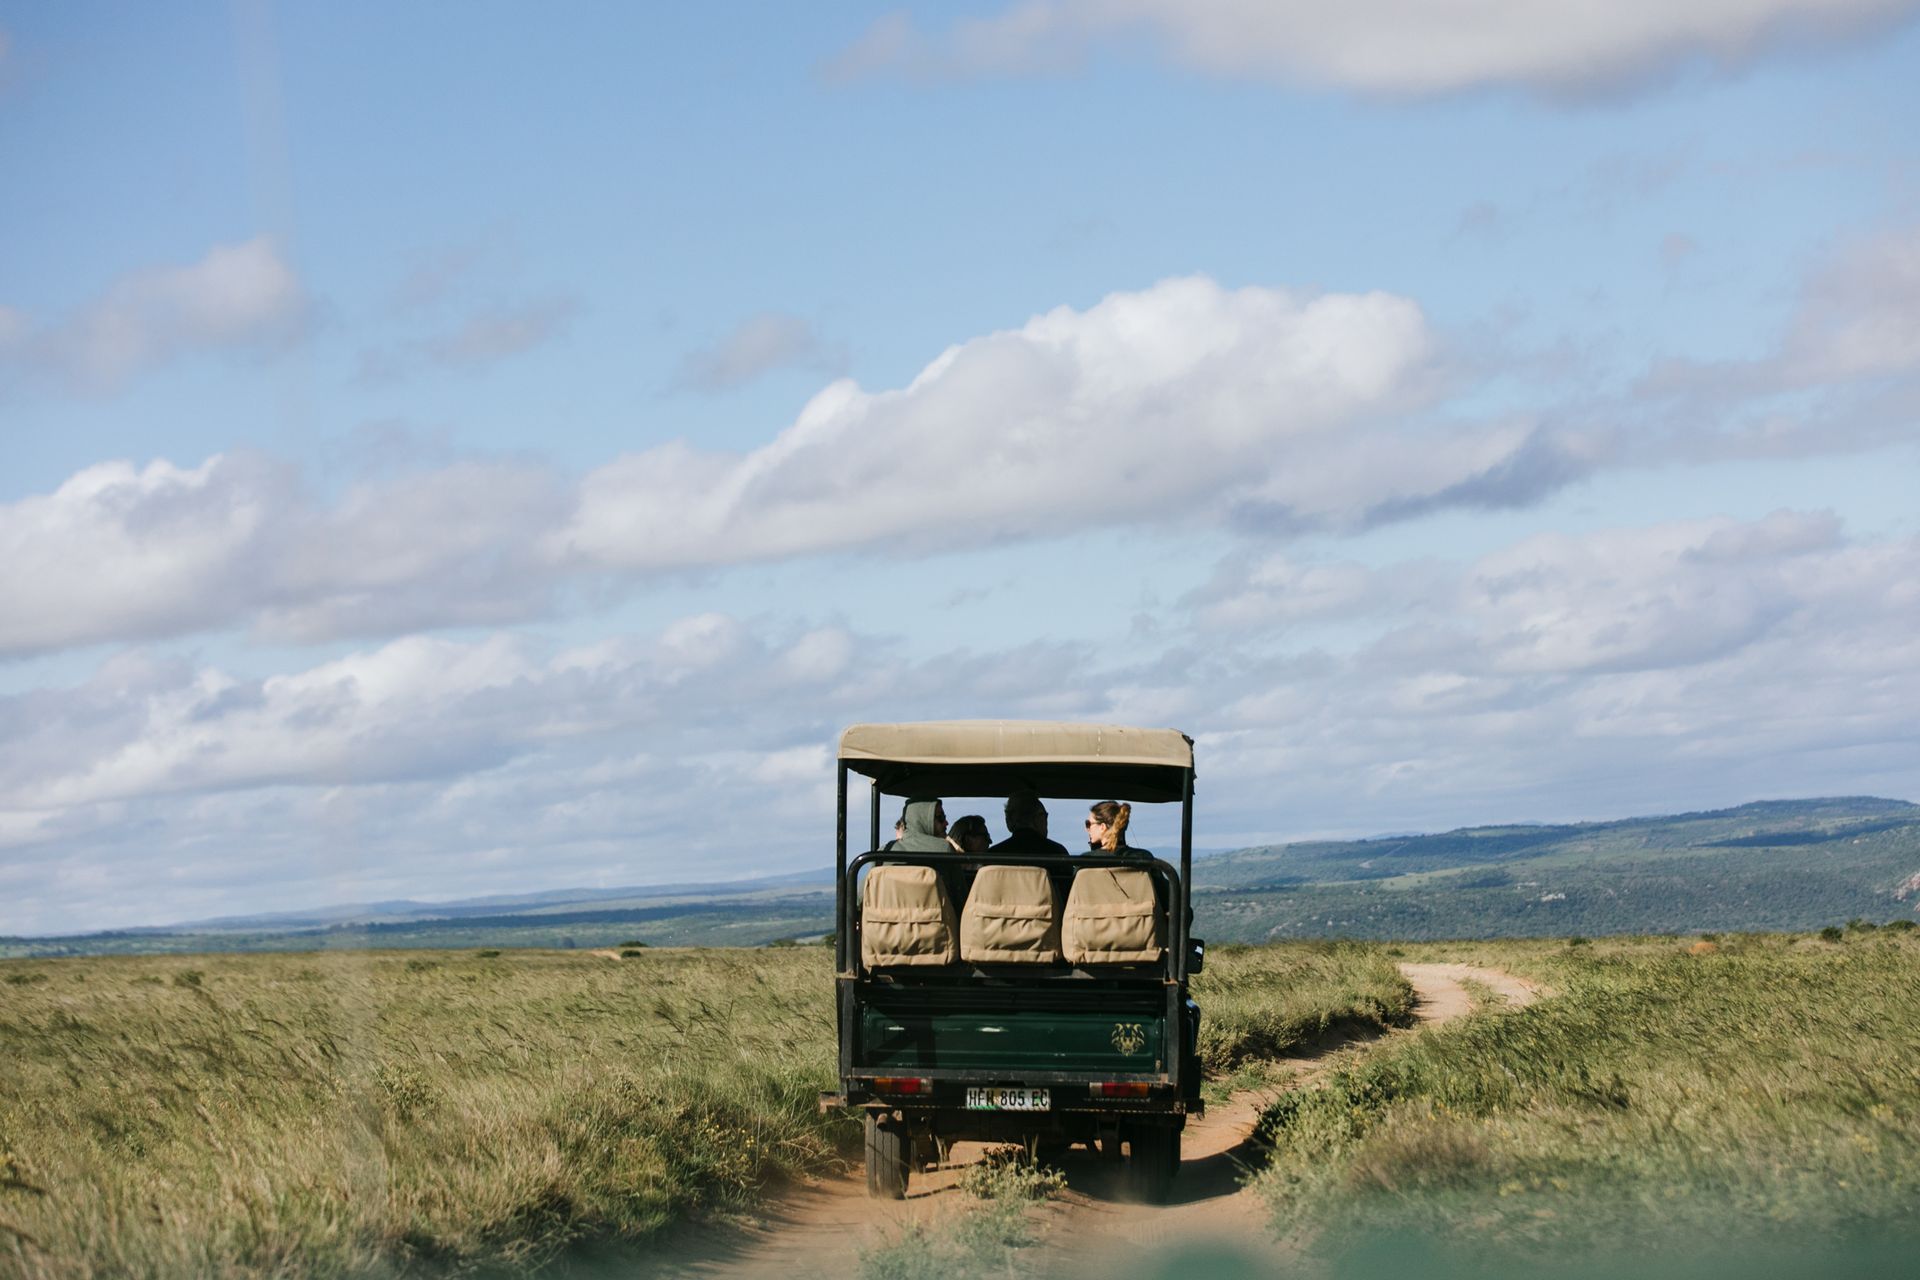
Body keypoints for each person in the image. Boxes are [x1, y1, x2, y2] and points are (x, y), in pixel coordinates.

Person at [989, 791, 1071, 857]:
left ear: (1009, 819)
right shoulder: (1057, 852)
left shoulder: (993, 854)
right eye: (1045, 816)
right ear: (1039, 818)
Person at [1085, 800, 1150, 858]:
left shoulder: (1085, 860)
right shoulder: (1144, 856)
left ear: (1102, 827)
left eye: (1088, 824)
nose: (1087, 829)